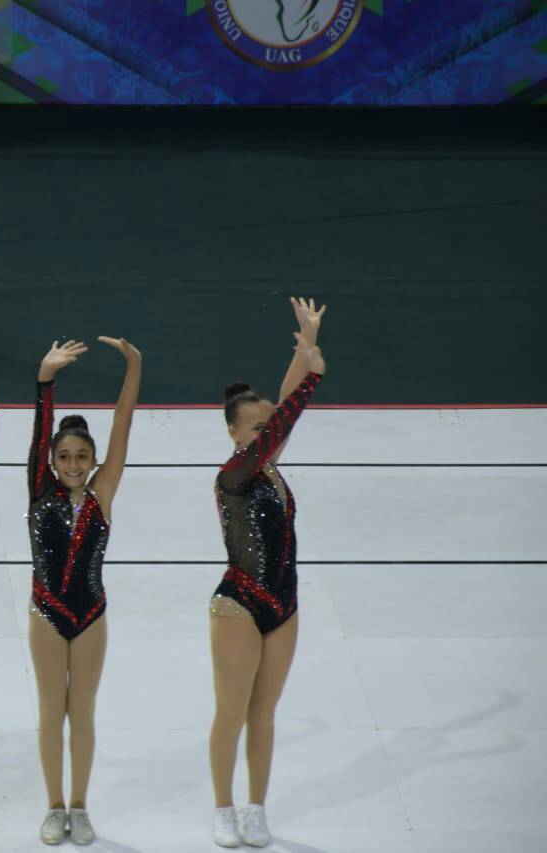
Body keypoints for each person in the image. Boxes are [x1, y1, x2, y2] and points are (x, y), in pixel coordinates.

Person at [208, 298, 327, 848]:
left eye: (267, 429)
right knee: (231, 712)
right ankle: (222, 808)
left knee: (264, 713)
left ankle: (256, 808)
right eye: (256, 429)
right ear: (234, 433)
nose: (266, 434)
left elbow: (281, 407)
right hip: (238, 603)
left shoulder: (270, 465)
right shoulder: (233, 474)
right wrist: (313, 379)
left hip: (285, 602)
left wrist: (307, 342)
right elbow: (285, 413)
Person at [27, 336, 142, 846]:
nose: (73, 464)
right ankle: (54, 805)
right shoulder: (40, 489)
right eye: (65, 457)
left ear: (95, 460)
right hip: (47, 614)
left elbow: (123, 423)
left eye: (82, 456)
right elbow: (39, 434)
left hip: (91, 614)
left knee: (84, 715)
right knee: (52, 712)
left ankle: (80, 804)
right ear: (52, 462)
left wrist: (134, 366)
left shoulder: (103, 491)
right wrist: (45, 381)